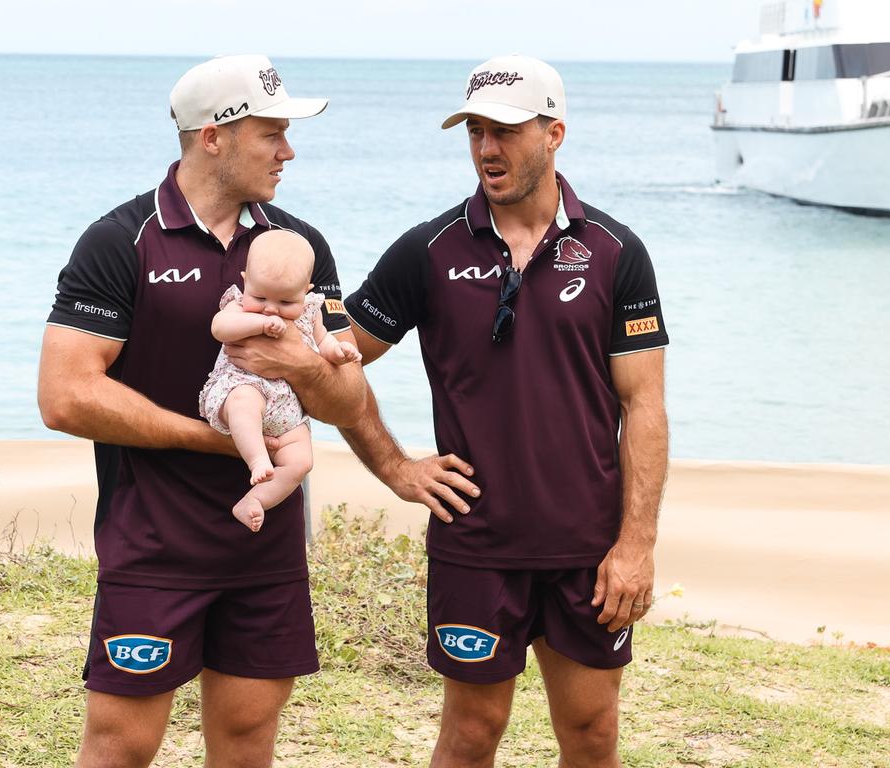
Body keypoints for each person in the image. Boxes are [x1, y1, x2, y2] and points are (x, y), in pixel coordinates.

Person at [340, 54, 669, 768]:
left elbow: (643, 402)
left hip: (588, 549)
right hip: (475, 546)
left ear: (554, 134)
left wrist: (636, 544)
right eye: (476, 132)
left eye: (507, 131)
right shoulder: (427, 251)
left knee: (591, 734)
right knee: (470, 734)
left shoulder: (615, 253)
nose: (488, 149)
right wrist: (392, 463)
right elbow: (336, 364)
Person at [37, 55, 365, 768]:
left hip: (266, 547)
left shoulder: (295, 250)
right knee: (121, 746)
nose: (289, 150)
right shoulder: (119, 241)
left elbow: (346, 398)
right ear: (212, 136)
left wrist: (304, 366)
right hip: (153, 543)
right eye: (271, 132)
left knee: (248, 742)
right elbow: (64, 396)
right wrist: (215, 439)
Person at [199, 229, 362, 532]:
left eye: (286, 301)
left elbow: (323, 341)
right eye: (260, 297)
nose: (271, 307)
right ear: (246, 281)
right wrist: (260, 322)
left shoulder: (310, 312)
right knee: (244, 403)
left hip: (286, 409)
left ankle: (254, 500)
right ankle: (257, 459)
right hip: (240, 384)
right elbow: (221, 328)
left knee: (300, 462)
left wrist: (338, 352)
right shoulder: (238, 304)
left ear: (306, 291)